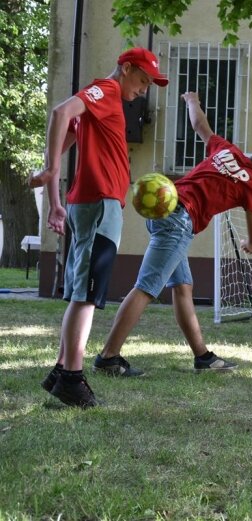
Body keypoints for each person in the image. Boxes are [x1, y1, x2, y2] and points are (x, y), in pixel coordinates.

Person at [92, 91, 252, 376]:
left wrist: (192, 101)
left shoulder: (226, 150)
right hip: (179, 221)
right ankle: (108, 358)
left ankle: (203, 357)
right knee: (147, 287)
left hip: (165, 211)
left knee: (183, 286)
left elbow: (200, 127)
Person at [30, 48, 168, 408]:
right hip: (100, 202)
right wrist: (52, 176)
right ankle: (73, 378)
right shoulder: (105, 91)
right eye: (142, 80)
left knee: (81, 291)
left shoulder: (104, 103)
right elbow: (61, 112)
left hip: (92, 203)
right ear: (125, 69)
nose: (144, 90)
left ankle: (62, 369)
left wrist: (54, 196)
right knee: (88, 294)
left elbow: (65, 139)